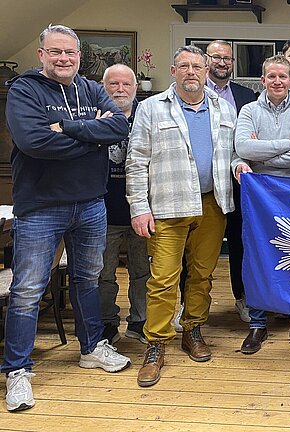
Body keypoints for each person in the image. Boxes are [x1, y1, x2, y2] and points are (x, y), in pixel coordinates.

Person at [3, 24, 131, 412]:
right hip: (40, 207)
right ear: (41, 54)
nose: (64, 58)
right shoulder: (24, 90)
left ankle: (91, 348)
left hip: (90, 203)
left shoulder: (91, 89)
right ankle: (17, 370)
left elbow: (118, 126)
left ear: (79, 56)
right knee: (28, 289)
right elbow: (34, 142)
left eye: (70, 52)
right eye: (56, 51)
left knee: (87, 279)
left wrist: (70, 128)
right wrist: (92, 140)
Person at [127, 45, 247, 387]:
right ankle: (156, 343)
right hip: (168, 206)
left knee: (202, 275)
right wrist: (139, 207)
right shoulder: (152, 108)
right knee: (163, 279)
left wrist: (240, 165)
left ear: (206, 72)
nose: (191, 72)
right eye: (184, 66)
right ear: (174, 71)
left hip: (212, 204)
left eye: (197, 66)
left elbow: (233, 153)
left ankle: (193, 329)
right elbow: (136, 160)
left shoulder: (224, 109)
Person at [235, 55, 290, 354]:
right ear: (263, 80)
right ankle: (258, 324)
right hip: (259, 197)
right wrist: (289, 143)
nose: (278, 81)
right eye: (271, 76)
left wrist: (262, 154)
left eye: (283, 76)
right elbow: (242, 147)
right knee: (258, 257)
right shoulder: (248, 111)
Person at [205, 39, 259, 324]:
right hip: (204, 183)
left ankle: (242, 297)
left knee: (240, 242)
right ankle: (191, 304)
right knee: (199, 247)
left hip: (239, 181)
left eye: (227, 58)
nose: (222, 63)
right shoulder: (193, 92)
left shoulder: (245, 96)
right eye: (216, 57)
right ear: (207, 60)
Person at [98, 64, 149, 345]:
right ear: (103, 87)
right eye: (114, 84)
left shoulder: (148, 115)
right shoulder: (95, 116)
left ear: (135, 88)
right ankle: (107, 322)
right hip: (103, 212)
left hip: (142, 211)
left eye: (126, 84)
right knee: (104, 274)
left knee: (142, 271)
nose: (120, 90)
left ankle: (140, 321)